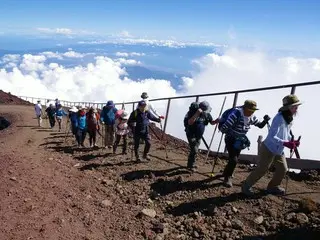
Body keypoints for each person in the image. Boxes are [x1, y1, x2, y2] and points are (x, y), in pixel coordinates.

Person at [242, 95, 302, 196]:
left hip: (279, 150)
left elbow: (285, 134)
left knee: (283, 169)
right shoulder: (278, 118)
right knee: (262, 169)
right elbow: (272, 137)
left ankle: (273, 187)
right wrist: (285, 143)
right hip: (269, 148)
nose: (297, 109)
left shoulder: (288, 118)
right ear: (288, 107)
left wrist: (292, 141)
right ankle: (246, 186)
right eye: (295, 106)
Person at [219, 100, 270, 188]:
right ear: (244, 108)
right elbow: (225, 127)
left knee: (234, 158)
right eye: (250, 110)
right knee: (234, 159)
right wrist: (226, 130)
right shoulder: (237, 114)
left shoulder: (252, 116)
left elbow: (260, 125)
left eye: (253, 110)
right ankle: (228, 177)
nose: (251, 112)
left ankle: (226, 173)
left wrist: (265, 121)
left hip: (240, 140)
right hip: (231, 138)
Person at [184, 101, 219, 171]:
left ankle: (191, 164)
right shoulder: (192, 112)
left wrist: (216, 121)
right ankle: (190, 166)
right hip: (191, 134)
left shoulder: (207, 114)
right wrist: (197, 114)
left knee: (194, 150)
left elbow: (211, 122)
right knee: (194, 150)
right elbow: (190, 122)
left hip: (199, 135)